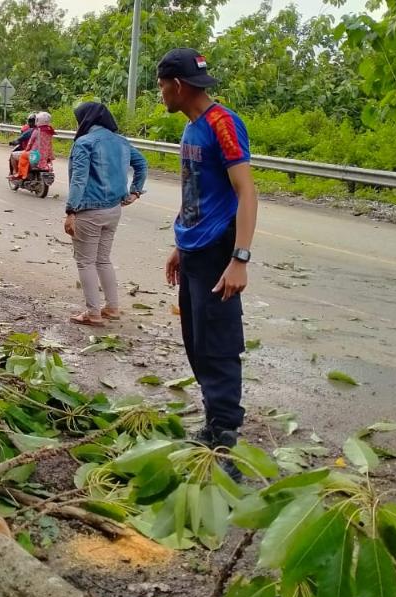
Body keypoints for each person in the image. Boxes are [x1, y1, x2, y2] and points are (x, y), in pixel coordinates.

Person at [156, 48, 258, 456]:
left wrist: (240, 258)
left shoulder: (222, 123)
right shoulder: (191, 128)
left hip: (219, 249)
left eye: (162, 86)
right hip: (193, 248)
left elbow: (246, 191)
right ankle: (214, 420)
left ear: (178, 85)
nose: (161, 94)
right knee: (196, 341)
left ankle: (225, 431)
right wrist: (179, 246)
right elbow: (194, 189)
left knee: (218, 342)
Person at [63, 102, 147, 326]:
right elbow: (142, 164)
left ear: (86, 120)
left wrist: (71, 210)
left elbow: (79, 179)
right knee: (103, 259)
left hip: (89, 210)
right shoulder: (121, 141)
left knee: (85, 262)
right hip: (114, 209)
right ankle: (112, 307)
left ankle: (93, 313)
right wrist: (135, 192)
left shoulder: (84, 143)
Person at [16, 111, 55, 179]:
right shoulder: (50, 131)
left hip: (35, 154)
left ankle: (22, 174)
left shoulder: (37, 130)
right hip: (46, 155)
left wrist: (27, 149)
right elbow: (50, 144)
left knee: (23, 156)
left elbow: (30, 142)